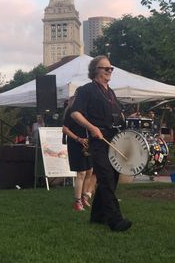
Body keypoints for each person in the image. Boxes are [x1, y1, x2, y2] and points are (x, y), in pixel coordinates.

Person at [71, 55, 132, 232]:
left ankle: (97, 216)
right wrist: (92, 128)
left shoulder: (110, 92)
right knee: (105, 177)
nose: (109, 71)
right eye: (106, 68)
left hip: (114, 139)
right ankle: (115, 220)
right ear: (95, 70)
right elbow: (75, 113)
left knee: (112, 178)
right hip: (98, 140)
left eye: (111, 68)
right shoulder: (86, 90)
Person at [62, 95, 96, 212]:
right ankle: (77, 202)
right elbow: (65, 129)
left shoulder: (86, 111)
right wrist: (78, 139)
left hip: (87, 144)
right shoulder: (71, 111)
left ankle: (83, 198)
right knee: (81, 173)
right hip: (76, 144)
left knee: (89, 171)